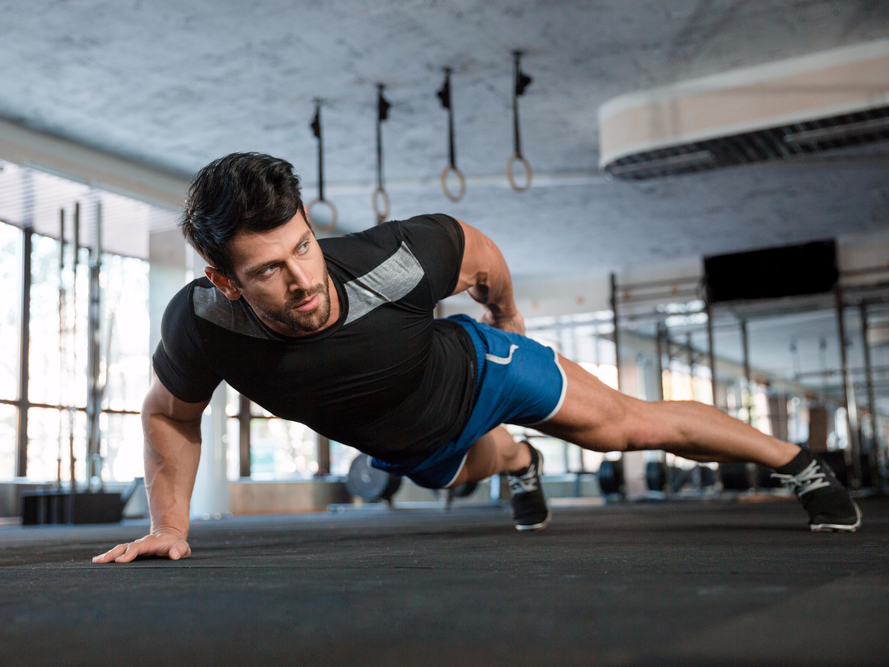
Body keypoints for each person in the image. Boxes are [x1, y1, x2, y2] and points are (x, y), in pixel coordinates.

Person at [93, 153, 861, 564]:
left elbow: (477, 249)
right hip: (414, 444)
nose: (303, 280)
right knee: (473, 466)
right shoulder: (201, 324)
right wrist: (170, 524)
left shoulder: (392, 258)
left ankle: (800, 462)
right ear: (223, 280)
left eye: (302, 246)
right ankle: (517, 462)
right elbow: (170, 413)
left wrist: (508, 314)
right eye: (268, 270)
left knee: (624, 428)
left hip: (481, 368)